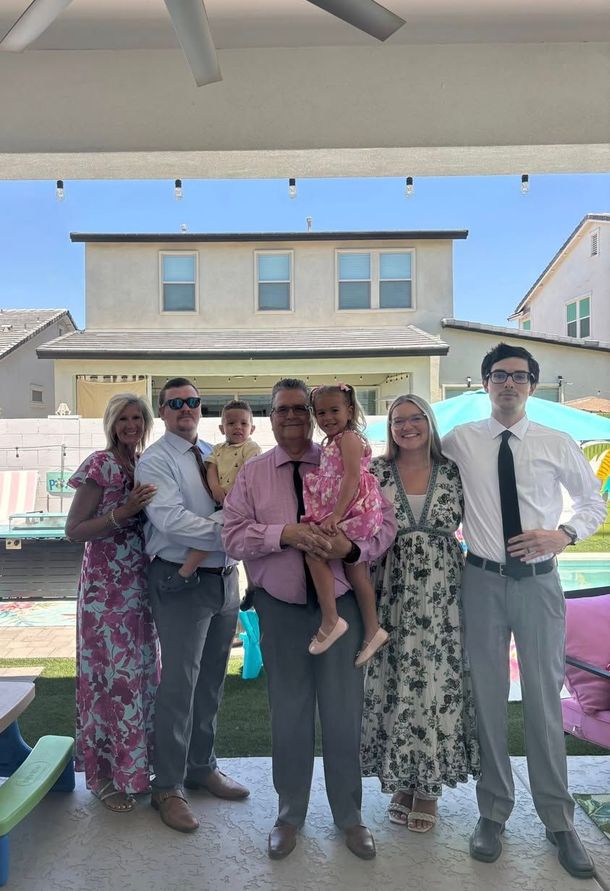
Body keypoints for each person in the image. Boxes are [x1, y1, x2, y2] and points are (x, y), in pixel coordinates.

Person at [443, 342, 606, 880]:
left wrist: (562, 535)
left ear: (532, 385)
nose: (508, 384)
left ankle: (559, 820)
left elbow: (592, 504)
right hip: (481, 581)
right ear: (484, 383)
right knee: (487, 698)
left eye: (518, 376)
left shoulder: (557, 443)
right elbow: (412, 463)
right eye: (498, 375)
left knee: (543, 700)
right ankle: (493, 812)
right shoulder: (460, 442)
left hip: (539, 585)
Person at [223, 378, 397, 862]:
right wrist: (284, 533)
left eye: (303, 408)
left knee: (344, 715)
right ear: (271, 416)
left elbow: (385, 523)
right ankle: (289, 815)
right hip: (279, 609)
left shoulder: (346, 458)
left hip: (339, 608)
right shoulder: (254, 474)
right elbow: (232, 536)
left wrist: (353, 547)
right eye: (284, 410)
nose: (294, 417)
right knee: (290, 715)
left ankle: (350, 817)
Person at [360, 394, 479, 833]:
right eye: (397, 421)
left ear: (429, 422)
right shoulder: (375, 472)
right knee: (397, 688)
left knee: (436, 685)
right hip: (390, 592)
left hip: (444, 595)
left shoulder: (454, 471)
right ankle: (404, 782)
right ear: (389, 428)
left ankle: (428, 789)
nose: (407, 427)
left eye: (415, 419)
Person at [135, 377, 249, 834]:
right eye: (175, 402)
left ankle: (201, 767)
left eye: (193, 402)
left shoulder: (214, 452)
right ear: (161, 411)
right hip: (180, 581)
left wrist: (240, 525)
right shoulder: (156, 461)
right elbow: (172, 522)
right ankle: (167, 786)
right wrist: (237, 525)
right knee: (179, 686)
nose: (186, 408)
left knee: (212, 682)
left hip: (224, 580)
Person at [66, 393, 159, 813]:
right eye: (123, 417)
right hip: (105, 596)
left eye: (137, 417)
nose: (131, 424)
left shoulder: (143, 464)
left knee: (140, 680)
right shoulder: (99, 464)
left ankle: (135, 772)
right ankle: (104, 777)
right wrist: (124, 512)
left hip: (139, 590)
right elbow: (75, 529)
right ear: (111, 422)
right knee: (109, 682)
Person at [302, 383, 388, 665]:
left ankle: (330, 619)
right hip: (351, 510)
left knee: (314, 552)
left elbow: (351, 477)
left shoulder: (349, 438)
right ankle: (373, 630)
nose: (327, 418)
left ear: (350, 410)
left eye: (334, 410)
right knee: (356, 573)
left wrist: (336, 515)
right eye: (321, 412)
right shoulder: (333, 441)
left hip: (354, 510)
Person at [159, 399, 261, 593]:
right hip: (225, 504)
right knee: (240, 542)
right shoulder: (218, 449)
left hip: (242, 504)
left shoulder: (250, 448)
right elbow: (211, 469)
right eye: (231, 424)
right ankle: (252, 586)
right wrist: (215, 487)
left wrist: (236, 493)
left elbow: (251, 472)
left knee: (209, 532)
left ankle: (185, 573)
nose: (237, 427)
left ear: (252, 428)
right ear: (222, 428)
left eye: (243, 423)